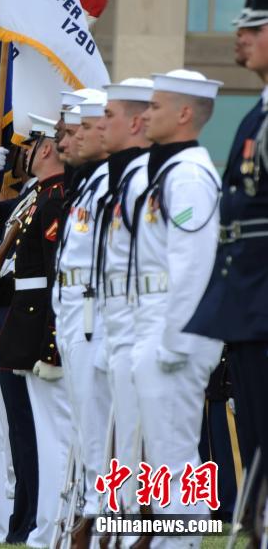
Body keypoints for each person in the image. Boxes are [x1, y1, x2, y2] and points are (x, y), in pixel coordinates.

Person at [185, 0, 268, 539]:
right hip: (249, 306)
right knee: (257, 438)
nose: (240, 35)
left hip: (262, 302)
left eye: (254, 27)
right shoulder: (256, 114)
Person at [0, 114, 70, 548]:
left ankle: (33, 524)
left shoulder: (56, 198)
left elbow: (51, 275)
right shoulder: (34, 197)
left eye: (28, 146)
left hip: (33, 329)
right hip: (18, 327)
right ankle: (23, 524)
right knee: (22, 438)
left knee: (36, 438)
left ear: (44, 149)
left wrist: (50, 344)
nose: (20, 154)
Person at [130, 69, 223, 543]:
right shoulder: (169, 171)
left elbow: (192, 264)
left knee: (175, 453)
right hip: (156, 320)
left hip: (174, 328)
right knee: (163, 453)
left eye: (155, 106)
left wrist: (175, 341)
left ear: (185, 113)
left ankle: (182, 541)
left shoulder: (189, 177)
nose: (144, 115)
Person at [93, 78, 154, 525]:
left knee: (149, 444)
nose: (99, 126)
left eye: (107, 116)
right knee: (117, 440)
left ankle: (167, 532)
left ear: (134, 123)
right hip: (113, 320)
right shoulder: (124, 177)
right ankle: (122, 524)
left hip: (141, 322)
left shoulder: (148, 179)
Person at [52, 93, 112, 544]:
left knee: (99, 423)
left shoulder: (110, 183)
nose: (64, 143)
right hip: (73, 308)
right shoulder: (90, 183)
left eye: (78, 131)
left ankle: (102, 512)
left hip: (96, 312)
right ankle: (93, 507)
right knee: (83, 421)